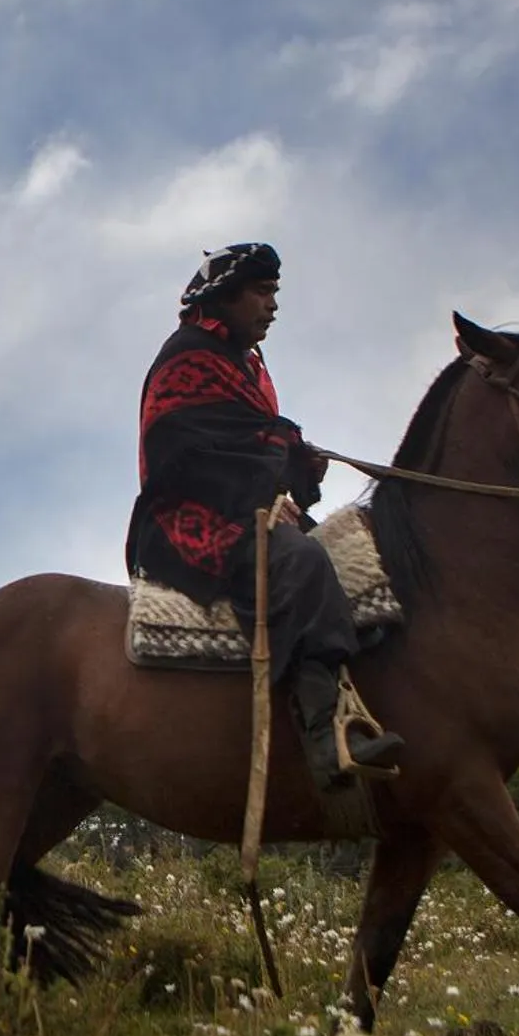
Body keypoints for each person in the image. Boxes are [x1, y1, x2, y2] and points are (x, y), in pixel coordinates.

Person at [125, 243, 404, 789]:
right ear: (225, 297)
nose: (272, 305)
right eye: (261, 292)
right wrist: (282, 446)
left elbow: (250, 443)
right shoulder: (188, 357)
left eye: (274, 293)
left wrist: (294, 458)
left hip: (247, 509)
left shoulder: (243, 366)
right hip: (189, 519)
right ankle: (326, 735)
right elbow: (190, 450)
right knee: (300, 562)